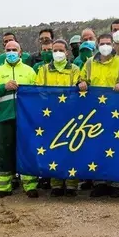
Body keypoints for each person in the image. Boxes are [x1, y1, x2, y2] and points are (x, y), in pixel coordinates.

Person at [79, 32, 119, 198]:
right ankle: (99, 182)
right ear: (97, 45)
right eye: (102, 43)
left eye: (108, 43)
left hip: (116, 112)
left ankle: (116, 183)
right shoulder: (90, 63)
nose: (105, 46)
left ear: (113, 45)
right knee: (96, 146)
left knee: (116, 146)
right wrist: (81, 83)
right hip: (94, 113)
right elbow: (81, 78)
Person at [0, 39, 38, 197]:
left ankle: (30, 186)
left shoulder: (30, 71)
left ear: (20, 52)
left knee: (27, 150)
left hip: (26, 119)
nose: (12, 52)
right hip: (4, 117)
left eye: (15, 49)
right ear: (4, 52)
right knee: (4, 152)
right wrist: (4, 87)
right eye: (9, 49)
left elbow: (38, 95)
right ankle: (4, 187)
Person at [36, 40, 84, 197]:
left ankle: (71, 184)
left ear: (67, 53)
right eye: (55, 50)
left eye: (60, 50)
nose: (57, 53)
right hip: (51, 115)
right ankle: (56, 183)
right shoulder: (43, 70)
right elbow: (39, 91)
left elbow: (79, 89)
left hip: (70, 116)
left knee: (72, 148)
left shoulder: (75, 69)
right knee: (54, 147)